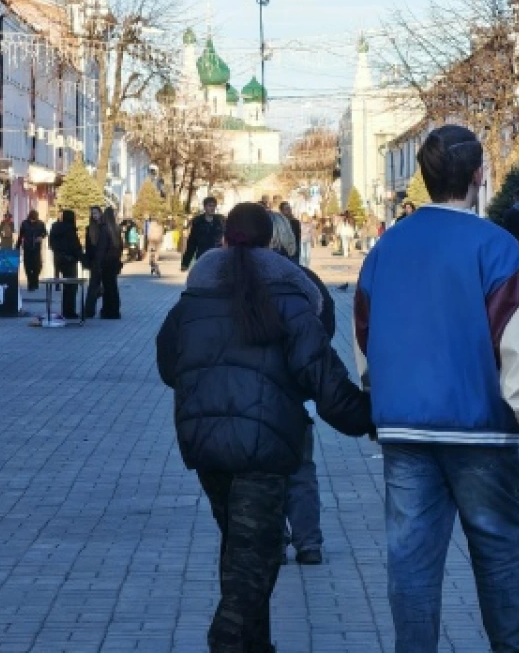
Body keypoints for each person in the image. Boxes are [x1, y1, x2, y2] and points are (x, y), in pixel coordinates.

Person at [353, 124, 519, 653]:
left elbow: (364, 336)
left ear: (423, 175)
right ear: (478, 175)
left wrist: (377, 397)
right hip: (479, 428)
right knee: (501, 548)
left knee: (411, 557)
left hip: (403, 428)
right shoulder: (496, 246)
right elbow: (516, 342)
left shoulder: (387, 247)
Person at [157, 202, 373, 653]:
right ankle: (228, 637)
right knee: (256, 555)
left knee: (241, 549)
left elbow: (167, 365)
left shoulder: (194, 298)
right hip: (264, 447)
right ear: (272, 240)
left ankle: (254, 645)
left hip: (205, 444)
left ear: (224, 239)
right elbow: (322, 378)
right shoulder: (292, 297)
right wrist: (369, 416)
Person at [267, 210, 331, 567]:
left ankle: (274, 540)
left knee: (265, 473)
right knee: (302, 470)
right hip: (295, 393)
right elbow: (326, 329)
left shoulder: (241, 280)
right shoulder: (307, 281)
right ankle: (309, 542)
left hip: (255, 393)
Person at [48, 210, 83, 319]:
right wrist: (81, 258)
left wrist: (58, 252)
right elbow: (75, 246)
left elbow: (51, 243)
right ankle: (70, 311)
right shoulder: (70, 229)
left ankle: (65, 311)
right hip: (69, 260)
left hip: (58, 258)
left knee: (66, 285)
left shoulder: (55, 227)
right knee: (72, 286)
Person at [181, 196, 225, 271]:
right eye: (210, 206)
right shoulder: (198, 222)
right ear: (205, 207)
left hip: (217, 256)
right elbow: (192, 243)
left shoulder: (220, 221)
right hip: (202, 256)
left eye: (214, 206)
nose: (212, 208)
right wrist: (185, 263)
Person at [96, 206, 124, 319]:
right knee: (113, 286)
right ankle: (115, 309)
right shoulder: (116, 229)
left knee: (107, 287)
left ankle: (108, 310)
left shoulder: (104, 229)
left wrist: (98, 263)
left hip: (106, 262)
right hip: (114, 261)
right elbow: (121, 246)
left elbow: (101, 248)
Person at [16, 210, 47, 292]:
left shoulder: (40, 223)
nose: (33, 220)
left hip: (36, 248)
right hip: (27, 247)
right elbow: (21, 235)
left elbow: (45, 233)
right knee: (28, 266)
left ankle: (35, 280)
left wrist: (41, 236)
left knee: (38, 266)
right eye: (32, 219)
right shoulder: (24, 223)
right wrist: (17, 246)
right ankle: (30, 283)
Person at [83, 207, 105, 318]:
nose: (94, 215)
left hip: (104, 260)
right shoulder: (89, 228)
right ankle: (89, 311)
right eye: (93, 213)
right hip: (94, 261)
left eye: (96, 213)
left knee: (105, 284)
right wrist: (88, 260)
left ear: (101, 213)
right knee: (93, 285)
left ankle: (106, 308)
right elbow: (88, 247)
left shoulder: (105, 227)